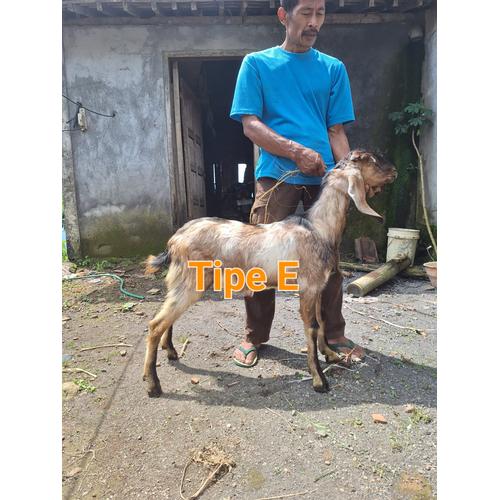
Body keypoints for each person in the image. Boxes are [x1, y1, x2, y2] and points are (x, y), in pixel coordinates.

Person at [229, 0, 365, 367]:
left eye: (320, 13)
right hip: (277, 176)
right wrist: (294, 151)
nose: (314, 22)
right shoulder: (257, 64)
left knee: (328, 259)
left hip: (324, 179)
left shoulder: (333, 68)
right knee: (258, 257)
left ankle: (333, 334)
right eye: (306, 12)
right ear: (283, 15)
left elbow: (336, 131)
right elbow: (250, 125)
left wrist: (348, 176)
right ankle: (255, 335)